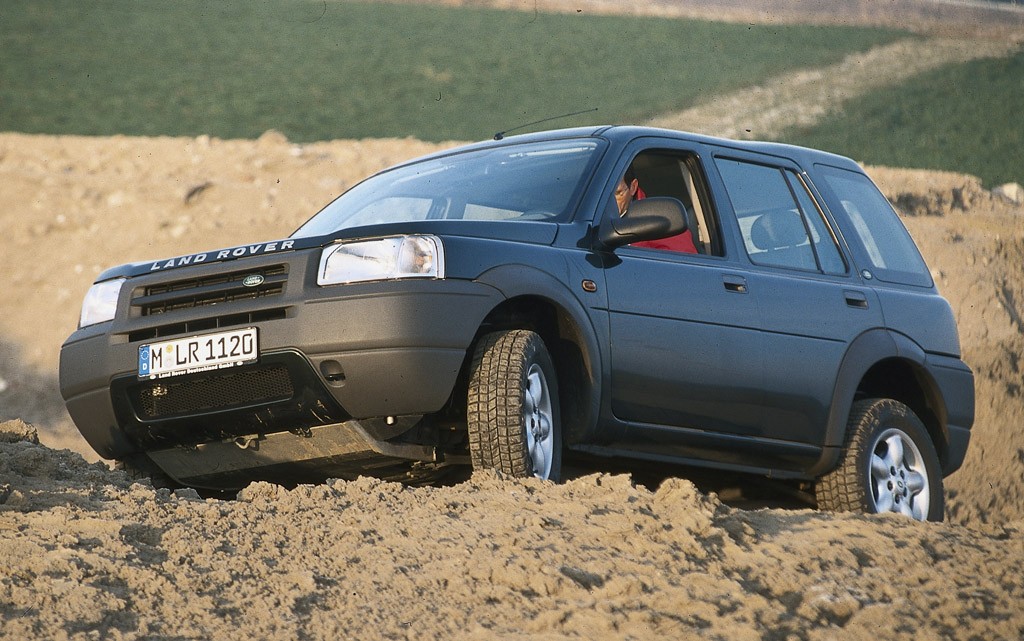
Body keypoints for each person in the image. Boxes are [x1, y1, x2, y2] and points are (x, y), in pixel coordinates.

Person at [615, 166, 698, 254]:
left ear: (633, 187)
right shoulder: (598, 214)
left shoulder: (662, 220)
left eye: (617, 193)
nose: (608, 201)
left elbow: (683, 263)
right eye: (603, 194)